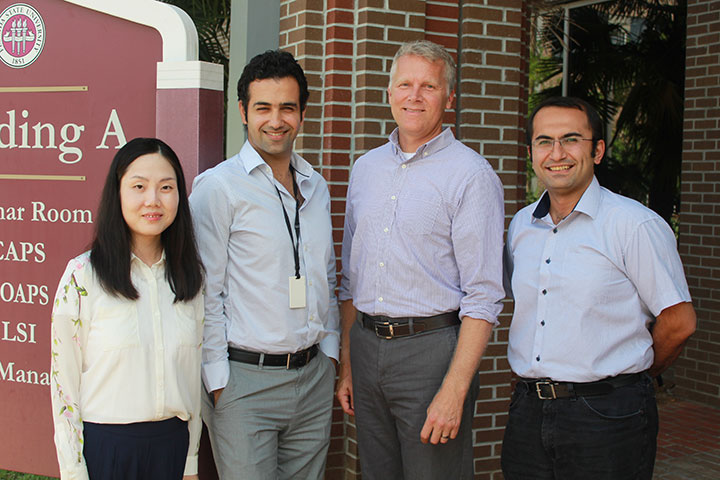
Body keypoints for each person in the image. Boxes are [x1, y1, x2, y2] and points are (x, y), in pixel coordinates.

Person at [501, 96, 697, 480]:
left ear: (598, 150)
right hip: (528, 411)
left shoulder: (633, 224)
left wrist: (631, 370)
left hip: (608, 414)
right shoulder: (521, 225)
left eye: (571, 139)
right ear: (531, 152)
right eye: (544, 141)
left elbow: (680, 321)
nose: (557, 153)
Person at [335, 40, 505, 479]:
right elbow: (350, 280)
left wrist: (454, 389)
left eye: (428, 86)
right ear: (388, 93)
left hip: (432, 354)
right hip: (367, 347)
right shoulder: (366, 168)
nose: (414, 96)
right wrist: (349, 366)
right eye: (405, 84)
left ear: (448, 98)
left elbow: (484, 295)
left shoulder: (471, 175)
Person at [189, 50, 339, 480]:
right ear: (243, 111)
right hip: (243, 383)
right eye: (263, 108)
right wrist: (218, 381)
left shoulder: (316, 186)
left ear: (302, 113)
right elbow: (205, 290)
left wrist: (329, 353)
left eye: (287, 108)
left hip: (311, 378)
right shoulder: (218, 188)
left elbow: (324, 273)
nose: (276, 120)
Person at [50, 138, 205, 480]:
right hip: (108, 450)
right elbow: (64, 386)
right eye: (138, 186)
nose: (153, 200)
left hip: (172, 448)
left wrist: (190, 461)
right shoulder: (82, 277)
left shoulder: (190, 279)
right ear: (117, 193)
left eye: (166, 187)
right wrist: (73, 471)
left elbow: (193, 376)